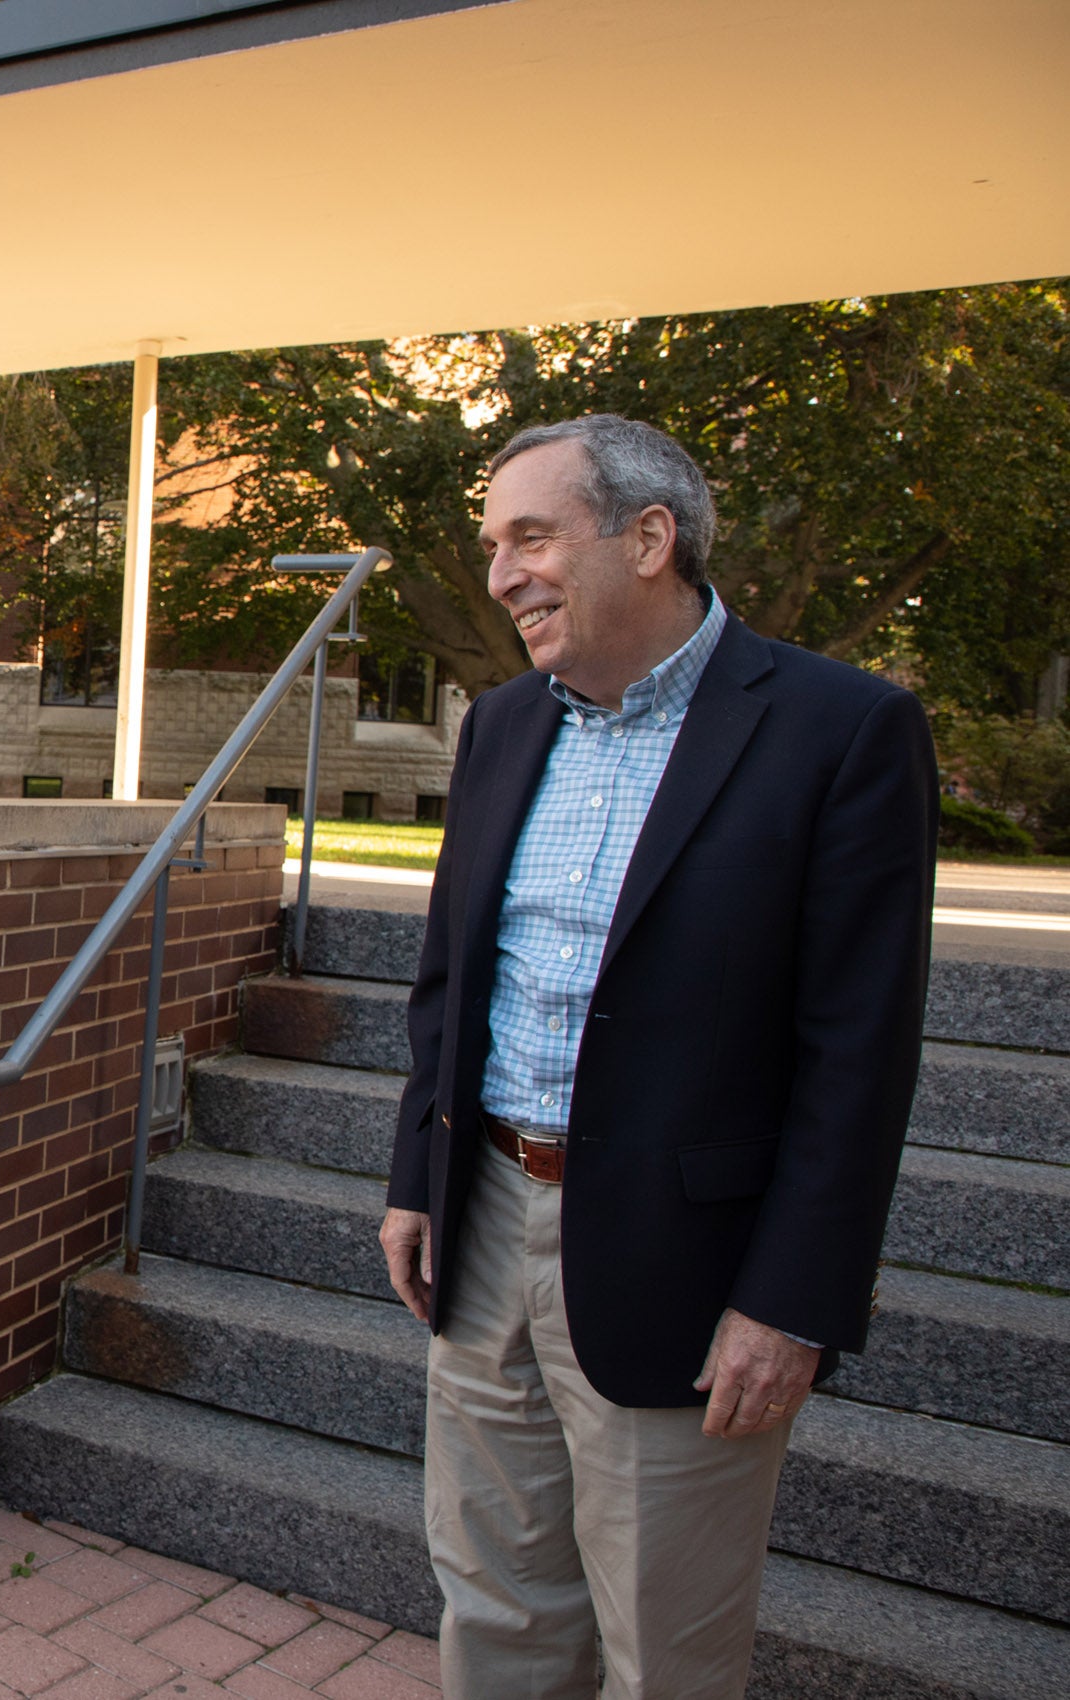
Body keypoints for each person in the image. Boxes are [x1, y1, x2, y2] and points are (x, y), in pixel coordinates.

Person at [379, 415, 936, 1698]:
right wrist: (421, 1172)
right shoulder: (505, 725)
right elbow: (455, 980)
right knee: (496, 1605)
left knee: (664, 1648)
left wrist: (793, 1297)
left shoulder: (842, 730)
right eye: (490, 545)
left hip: (681, 1263)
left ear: (648, 537)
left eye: (530, 536)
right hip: (483, 1226)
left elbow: (859, 1054)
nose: (501, 572)